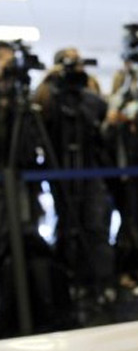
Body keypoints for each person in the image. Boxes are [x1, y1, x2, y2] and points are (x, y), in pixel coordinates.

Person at [33, 47, 114, 309]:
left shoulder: (88, 98)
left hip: (90, 174)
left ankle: (101, 284)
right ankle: (69, 284)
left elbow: (104, 119)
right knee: (68, 228)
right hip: (61, 176)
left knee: (95, 226)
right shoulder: (47, 95)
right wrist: (51, 79)